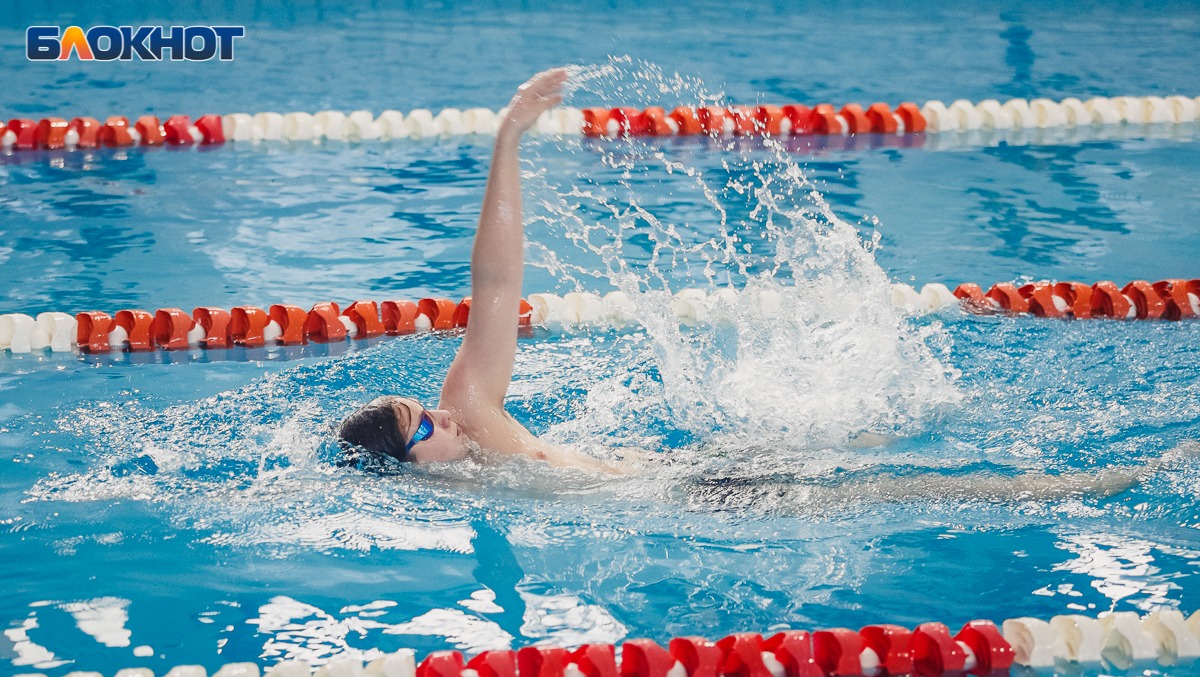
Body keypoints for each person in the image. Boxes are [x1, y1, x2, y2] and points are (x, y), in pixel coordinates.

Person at [337, 69, 622, 474]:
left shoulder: (470, 413)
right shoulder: (451, 493)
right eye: (425, 427)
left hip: (698, 487)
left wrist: (508, 137)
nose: (445, 416)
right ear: (399, 466)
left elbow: (497, 283)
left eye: (427, 412)